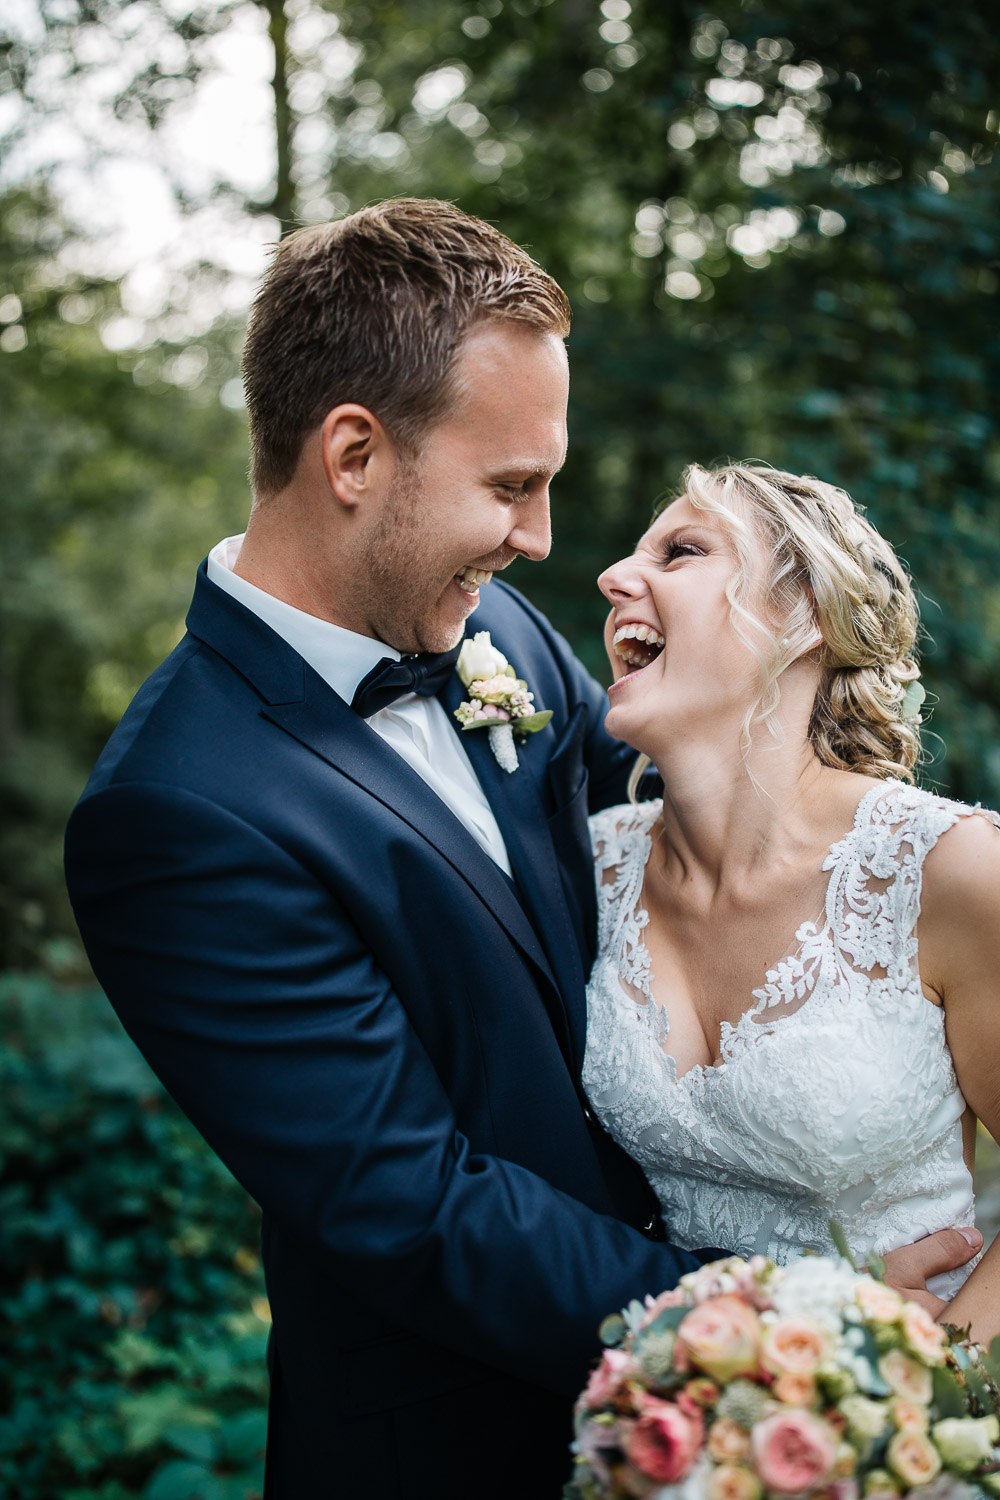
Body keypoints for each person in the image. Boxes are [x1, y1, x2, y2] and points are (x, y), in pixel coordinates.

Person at [64, 206, 976, 1500]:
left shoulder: (498, 635)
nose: (541, 541)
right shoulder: (177, 808)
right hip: (459, 1446)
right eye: (509, 487)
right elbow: (413, 1206)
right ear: (354, 455)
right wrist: (794, 1325)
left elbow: (704, 837)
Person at [585, 460, 999, 1342]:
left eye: (680, 551)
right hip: (674, 1396)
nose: (615, 577)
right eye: (632, 555)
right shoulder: (590, 869)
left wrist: (923, 1382)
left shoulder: (947, 871)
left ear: (804, 615)